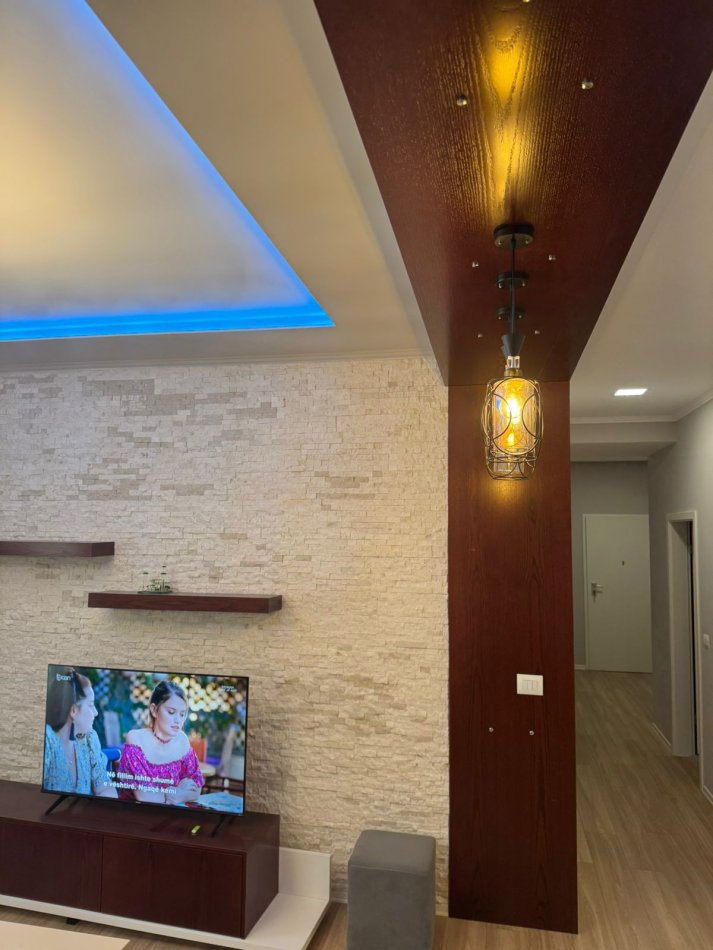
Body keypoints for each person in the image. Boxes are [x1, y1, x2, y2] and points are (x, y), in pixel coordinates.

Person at [117, 680, 204, 805]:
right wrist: (179, 793)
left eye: (182, 714)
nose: (178, 720)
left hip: (171, 812)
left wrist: (176, 796)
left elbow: (196, 787)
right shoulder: (136, 739)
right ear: (154, 710)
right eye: (171, 712)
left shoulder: (182, 740)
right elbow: (144, 796)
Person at [44, 667, 118, 798]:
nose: (96, 712)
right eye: (90, 704)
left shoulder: (89, 739)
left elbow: (105, 789)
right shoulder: (48, 741)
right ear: (73, 711)